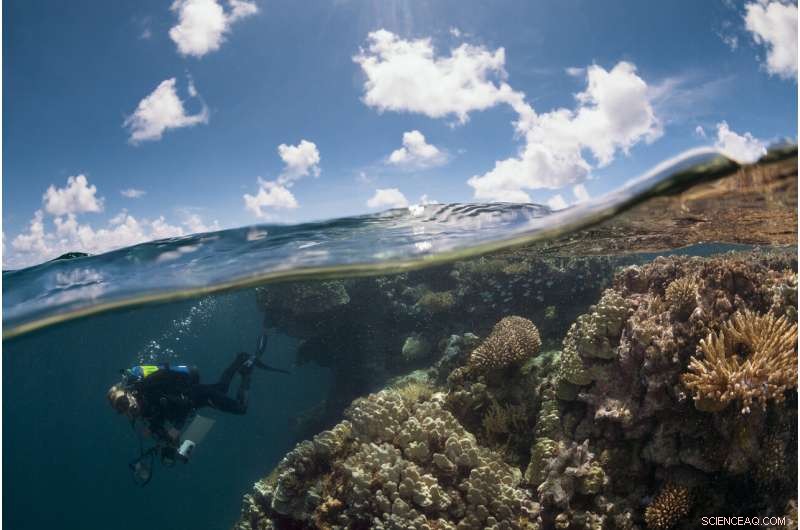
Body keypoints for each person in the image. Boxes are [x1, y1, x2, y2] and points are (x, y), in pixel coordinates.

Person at [108, 330, 289, 482]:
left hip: (193, 395)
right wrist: (168, 447)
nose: (126, 408)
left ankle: (247, 369)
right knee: (222, 388)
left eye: (123, 401)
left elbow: (181, 405)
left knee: (240, 408)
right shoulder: (144, 414)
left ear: (129, 392)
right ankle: (240, 360)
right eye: (120, 409)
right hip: (193, 398)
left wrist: (177, 428)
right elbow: (162, 430)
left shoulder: (149, 387)